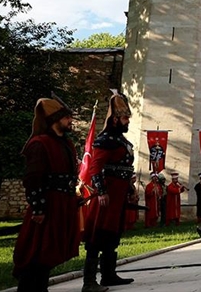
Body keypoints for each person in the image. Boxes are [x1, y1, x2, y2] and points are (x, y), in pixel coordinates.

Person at [12, 95, 81, 292]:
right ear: (55, 119)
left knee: (50, 253)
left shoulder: (66, 143)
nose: (71, 121)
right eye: (67, 117)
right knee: (37, 252)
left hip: (63, 203)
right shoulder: (39, 143)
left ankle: (41, 288)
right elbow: (33, 179)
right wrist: (38, 207)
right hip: (47, 205)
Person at [82, 90, 136, 290]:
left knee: (112, 235)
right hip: (106, 195)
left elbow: (124, 169)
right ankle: (89, 282)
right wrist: (101, 190)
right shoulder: (105, 140)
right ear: (114, 119)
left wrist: (130, 189)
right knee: (98, 236)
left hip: (118, 196)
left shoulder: (122, 141)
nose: (127, 121)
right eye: (124, 118)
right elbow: (96, 168)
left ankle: (108, 275)